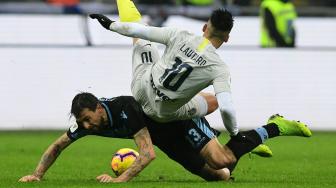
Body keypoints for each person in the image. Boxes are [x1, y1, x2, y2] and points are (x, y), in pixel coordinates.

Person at [19, 92, 312, 183]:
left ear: (98, 108)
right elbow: (59, 144)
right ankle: (248, 143)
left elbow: (147, 155)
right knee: (219, 175)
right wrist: (37, 174)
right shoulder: (89, 122)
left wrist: (118, 181)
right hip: (166, 139)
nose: (85, 125)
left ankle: (276, 127)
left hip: (179, 122)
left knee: (222, 158)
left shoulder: (126, 109)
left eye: (86, 119)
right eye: (81, 122)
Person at [90, 0, 241, 138]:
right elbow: (226, 108)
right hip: (160, 113)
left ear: (205, 27)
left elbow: (137, 30)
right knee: (213, 101)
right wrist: (235, 134)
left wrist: (111, 25)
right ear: (227, 38)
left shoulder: (179, 35)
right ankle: (202, 131)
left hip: (141, 88)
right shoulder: (220, 69)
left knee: (141, 38)